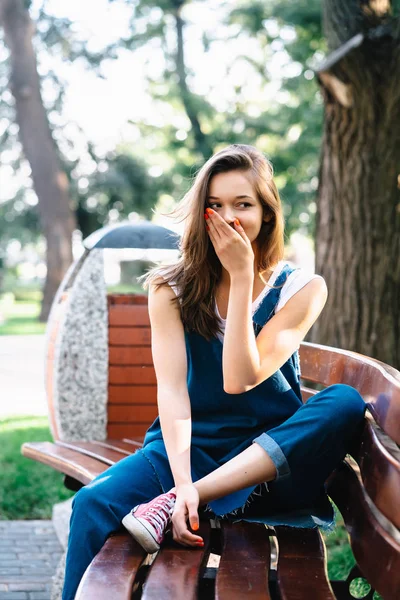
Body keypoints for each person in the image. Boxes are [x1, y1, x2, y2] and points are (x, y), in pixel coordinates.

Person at [62, 144, 366, 599]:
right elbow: (173, 394)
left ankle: (185, 500)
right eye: (215, 205)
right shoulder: (171, 287)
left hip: (264, 467)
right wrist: (181, 485)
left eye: (243, 205)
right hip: (191, 451)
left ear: (267, 213)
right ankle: (177, 500)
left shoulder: (303, 288)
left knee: (342, 401)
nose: (228, 218)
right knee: (90, 504)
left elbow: (239, 378)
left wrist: (243, 280)